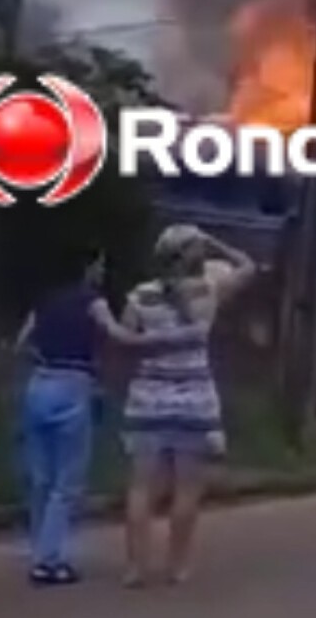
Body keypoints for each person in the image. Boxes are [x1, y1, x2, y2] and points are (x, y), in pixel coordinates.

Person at [14, 243, 205, 587]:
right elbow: (120, 337)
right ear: (88, 268)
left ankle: (40, 547)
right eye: (99, 265)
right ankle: (49, 560)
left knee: (40, 477)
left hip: (39, 384)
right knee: (66, 481)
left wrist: (47, 355)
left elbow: (22, 342)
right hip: (73, 385)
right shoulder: (93, 301)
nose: (102, 272)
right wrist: (170, 339)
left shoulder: (45, 300)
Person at [121, 224, 258, 587]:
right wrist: (216, 243)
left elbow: (126, 340)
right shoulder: (208, 290)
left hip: (147, 399)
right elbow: (247, 266)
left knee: (140, 488)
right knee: (187, 490)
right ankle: (177, 565)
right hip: (195, 401)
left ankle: (136, 567)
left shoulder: (140, 295)